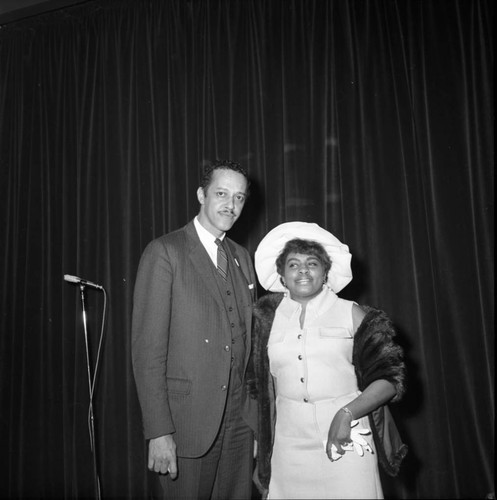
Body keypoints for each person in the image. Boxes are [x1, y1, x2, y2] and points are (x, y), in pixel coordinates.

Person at [248, 221, 407, 499]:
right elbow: (258, 389)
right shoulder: (266, 319)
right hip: (288, 446)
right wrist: (261, 448)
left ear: (325, 272)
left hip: (346, 436)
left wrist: (348, 413)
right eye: (293, 264)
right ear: (282, 276)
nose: (303, 271)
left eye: (312, 263)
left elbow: (390, 379)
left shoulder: (352, 313)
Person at [131, 160, 258, 500]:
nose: (230, 205)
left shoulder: (243, 258)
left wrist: (257, 424)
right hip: (187, 426)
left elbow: (249, 346)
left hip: (239, 427)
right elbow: (148, 354)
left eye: (239, 198)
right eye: (221, 194)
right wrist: (159, 432)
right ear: (201, 195)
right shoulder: (165, 252)